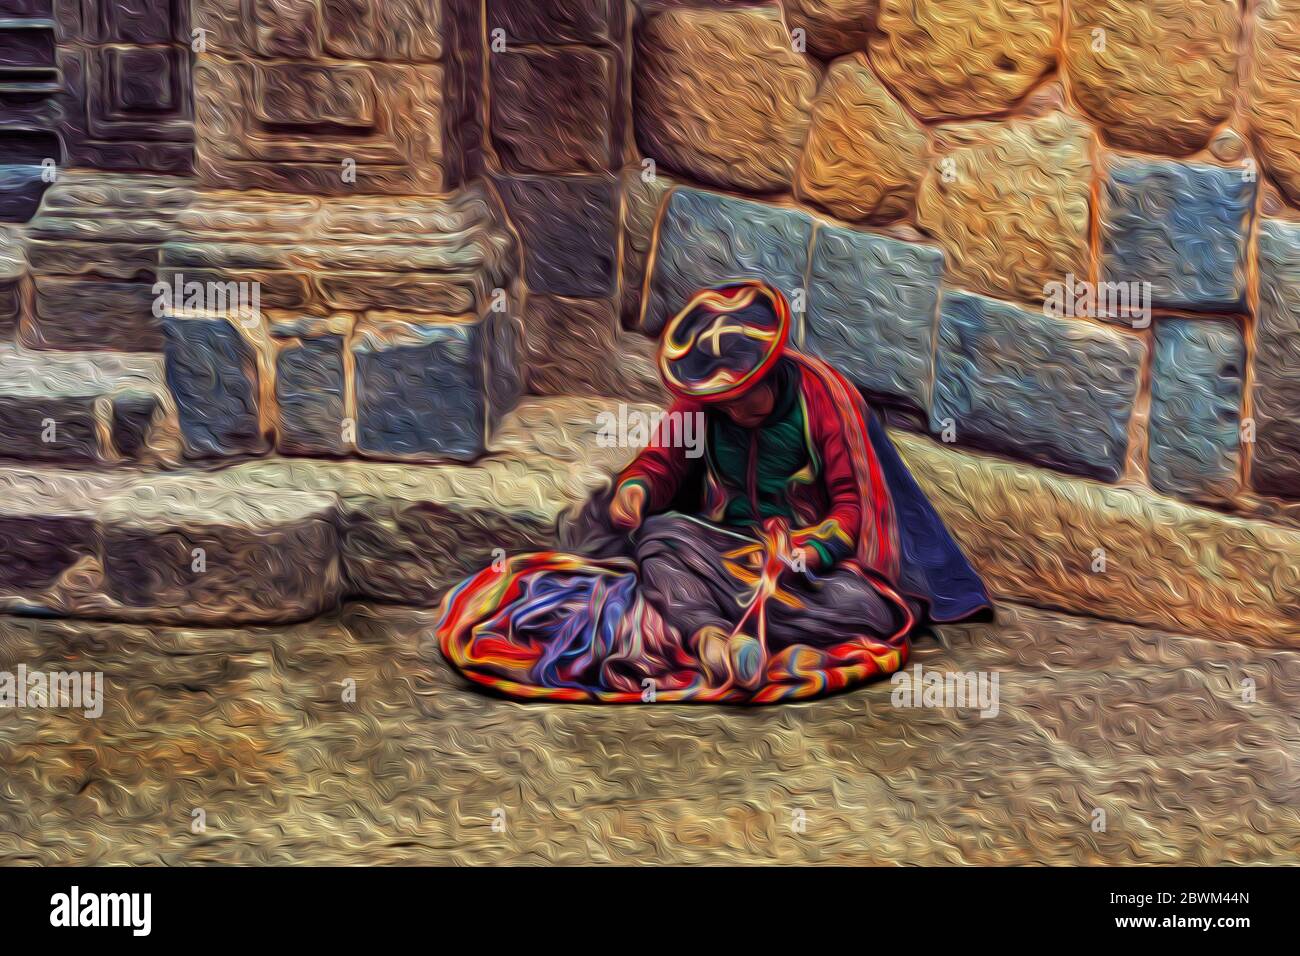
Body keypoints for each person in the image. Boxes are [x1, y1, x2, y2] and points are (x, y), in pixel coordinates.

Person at [438, 280, 990, 703]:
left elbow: (852, 510)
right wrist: (636, 489)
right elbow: (662, 462)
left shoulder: (824, 401)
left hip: (800, 576)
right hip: (717, 556)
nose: (730, 408)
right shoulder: (704, 402)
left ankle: (713, 627)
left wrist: (803, 552)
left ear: (770, 374)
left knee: (868, 609)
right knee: (659, 538)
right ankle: (711, 643)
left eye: (742, 396)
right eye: (722, 399)